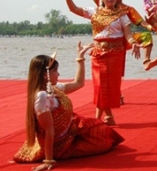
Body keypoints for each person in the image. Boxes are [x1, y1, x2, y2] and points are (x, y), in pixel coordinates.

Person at [13, 42, 124, 170]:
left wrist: (80, 58)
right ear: (45, 75)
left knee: (103, 130)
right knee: (103, 144)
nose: (58, 74)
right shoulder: (42, 97)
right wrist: (49, 160)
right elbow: (49, 131)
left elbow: (78, 83)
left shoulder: (52, 88)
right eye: (55, 71)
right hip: (61, 145)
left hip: (71, 130)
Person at [65, 0, 141, 125]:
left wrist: (133, 43)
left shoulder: (122, 15)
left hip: (115, 54)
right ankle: (107, 117)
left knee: (110, 87)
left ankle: (101, 118)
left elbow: (128, 33)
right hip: (98, 53)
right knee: (100, 85)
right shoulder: (94, 12)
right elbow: (73, 9)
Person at [87, 0, 157, 72]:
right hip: (107, 41)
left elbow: (140, 21)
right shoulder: (102, 3)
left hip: (125, 38)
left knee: (146, 36)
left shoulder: (128, 9)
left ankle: (146, 61)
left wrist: (150, 27)